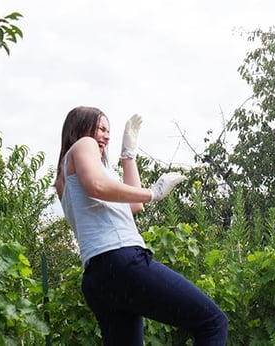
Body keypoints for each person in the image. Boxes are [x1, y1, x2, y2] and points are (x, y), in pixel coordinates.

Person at [54, 106, 228, 346]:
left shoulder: (62, 179)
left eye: (109, 131)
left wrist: (128, 155)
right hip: (122, 260)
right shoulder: (84, 144)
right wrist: (153, 193)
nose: (106, 136)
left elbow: (134, 205)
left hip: (97, 277)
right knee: (213, 322)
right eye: (101, 128)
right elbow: (97, 185)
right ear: (82, 127)